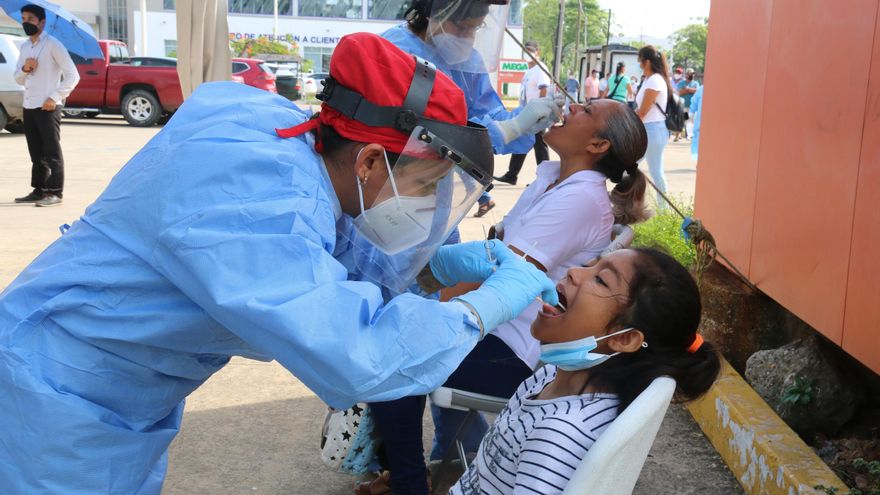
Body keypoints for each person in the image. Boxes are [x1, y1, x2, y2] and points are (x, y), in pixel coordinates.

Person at [0, 33, 560, 494]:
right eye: (423, 187)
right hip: (55, 406)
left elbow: (320, 245)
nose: (422, 205)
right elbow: (359, 354)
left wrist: (428, 267)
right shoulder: (258, 204)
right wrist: (482, 307)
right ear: (368, 161)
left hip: (109, 397)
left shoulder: (275, 133)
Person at [363, 98, 651, 495]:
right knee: (405, 336)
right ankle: (424, 469)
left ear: (598, 146)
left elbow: (505, 280)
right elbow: (497, 252)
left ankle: (409, 484)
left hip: (514, 348)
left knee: (393, 363)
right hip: (501, 332)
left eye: (585, 110)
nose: (568, 108)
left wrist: (429, 299)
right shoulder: (553, 180)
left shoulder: (579, 200)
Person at [451, 248, 722, 494]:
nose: (574, 272)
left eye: (601, 279)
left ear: (624, 339)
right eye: (589, 265)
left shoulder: (560, 435)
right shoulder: (551, 375)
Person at [382, 0, 561, 217]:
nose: (468, 36)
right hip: (391, 186)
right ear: (433, 14)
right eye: (462, 27)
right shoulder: (395, 50)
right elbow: (422, 131)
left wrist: (524, 120)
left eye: (476, 27)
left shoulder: (468, 60)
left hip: (439, 194)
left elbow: (486, 113)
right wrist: (507, 129)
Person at [12, 4, 80, 207]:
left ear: (42, 22)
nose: (26, 22)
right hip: (29, 105)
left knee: (51, 152)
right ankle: (39, 189)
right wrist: (26, 68)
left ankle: (55, 192)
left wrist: (55, 96)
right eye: (23, 18)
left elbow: (73, 75)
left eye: (30, 19)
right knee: (35, 152)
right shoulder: (25, 47)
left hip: (48, 106)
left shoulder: (53, 45)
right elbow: (18, 78)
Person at [494, 40, 551, 186]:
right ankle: (512, 175)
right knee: (521, 141)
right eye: (525, 51)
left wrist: (542, 112)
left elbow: (544, 90)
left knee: (539, 145)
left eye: (531, 51)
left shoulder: (540, 69)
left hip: (537, 114)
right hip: (527, 113)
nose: (528, 54)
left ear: (537, 52)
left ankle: (544, 179)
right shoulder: (528, 70)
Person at [635, 45, 671, 208]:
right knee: (654, 172)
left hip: (653, 131)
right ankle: (661, 210)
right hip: (649, 130)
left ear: (647, 62)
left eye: (640, 61)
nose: (639, 65)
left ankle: (663, 211)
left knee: (633, 166)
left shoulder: (655, 80)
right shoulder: (649, 80)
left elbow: (642, 112)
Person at [679, 68, 700, 140]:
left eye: (693, 74)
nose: (692, 75)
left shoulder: (696, 83)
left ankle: (689, 135)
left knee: (691, 121)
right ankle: (682, 135)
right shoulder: (681, 83)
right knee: (684, 120)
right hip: (684, 106)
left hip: (692, 107)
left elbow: (697, 91)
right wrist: (691, 90)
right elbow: (680, 92)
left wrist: (687, 89)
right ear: (687, 74)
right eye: (690, 74)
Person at [690, 83, 704, 162]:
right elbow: (694, 102)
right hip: (700, 123)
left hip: (701, 124)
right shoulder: (701, 89)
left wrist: (691, 113)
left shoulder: (702, 89)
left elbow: (693, 103)